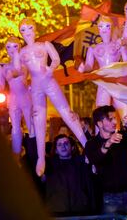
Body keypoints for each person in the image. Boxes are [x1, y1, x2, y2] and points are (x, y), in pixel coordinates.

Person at [17, 17, 87, 176]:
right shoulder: (22, 53)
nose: (27, 33)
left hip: (49, 81)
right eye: (23, 30)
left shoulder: (45, 45)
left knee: (67, 113)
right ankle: (41, 158)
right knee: (39, 118)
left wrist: (51, 68)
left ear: (35, 29)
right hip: (35, 86)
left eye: (29, 28)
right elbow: (23, 72)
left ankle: (87, 146)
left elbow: (56, 59)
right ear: (20, 34)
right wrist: (25, 85)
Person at [85, 105, 127, 214]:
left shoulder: (122, 136)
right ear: (99, 123)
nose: (115, 121)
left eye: (115, 118)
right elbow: (95, 159)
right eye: (110, 119)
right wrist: (108, 143)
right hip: (109, 196)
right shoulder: (92, 143)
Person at [78, 16, 127, 118]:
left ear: (111, 28)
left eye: (107, 26)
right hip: (103, 83)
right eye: (101, 26)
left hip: (117, 82)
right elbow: (89, 65)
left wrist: (123, 46)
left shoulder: (118, 45)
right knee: (101, 116)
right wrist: (83, 68)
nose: (104, 29)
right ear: (98, 28)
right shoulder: (93, 48)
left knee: (126, 115)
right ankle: (102, 133)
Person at [0, 36, 34, 156]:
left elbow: (27, 77)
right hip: (13, 99)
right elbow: (0, 87)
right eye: (8, 47)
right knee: (15, 128)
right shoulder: (2, 68)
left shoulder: (26, 64)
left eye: (15, 46)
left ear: (20, 47)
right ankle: (16, 155)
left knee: (31, 125)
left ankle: (35, 154)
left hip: (26, 97)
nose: (11, 49)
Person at [44, 134, 94, 216]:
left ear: (72, 147)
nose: (63, 146)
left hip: (80, 212)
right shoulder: (49, 165)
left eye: (66, 143)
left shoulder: (81, 163)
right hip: (57, 211)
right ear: (56, 150)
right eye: (59, 144)